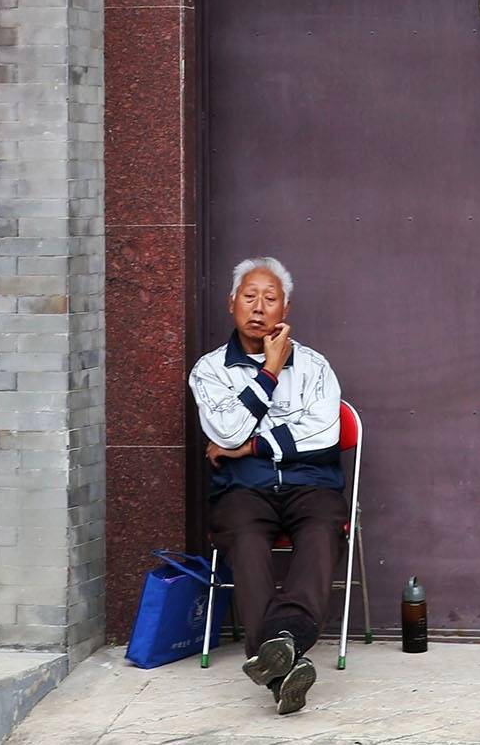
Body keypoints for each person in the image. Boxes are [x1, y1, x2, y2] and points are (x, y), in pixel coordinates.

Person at [188, 257, 344, 715]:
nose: (259, 307)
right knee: (247, 543)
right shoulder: (210, 370)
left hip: (310, 486)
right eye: (249, 296)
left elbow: (324, 434)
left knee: (321, 531)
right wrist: (270, 372)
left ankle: (280, 648)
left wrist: (250, 449)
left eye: (270, 298)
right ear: (231, 303)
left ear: (285, 307)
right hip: (241, 492)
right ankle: (284, 659)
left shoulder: (315, 366)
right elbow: (227, 430)